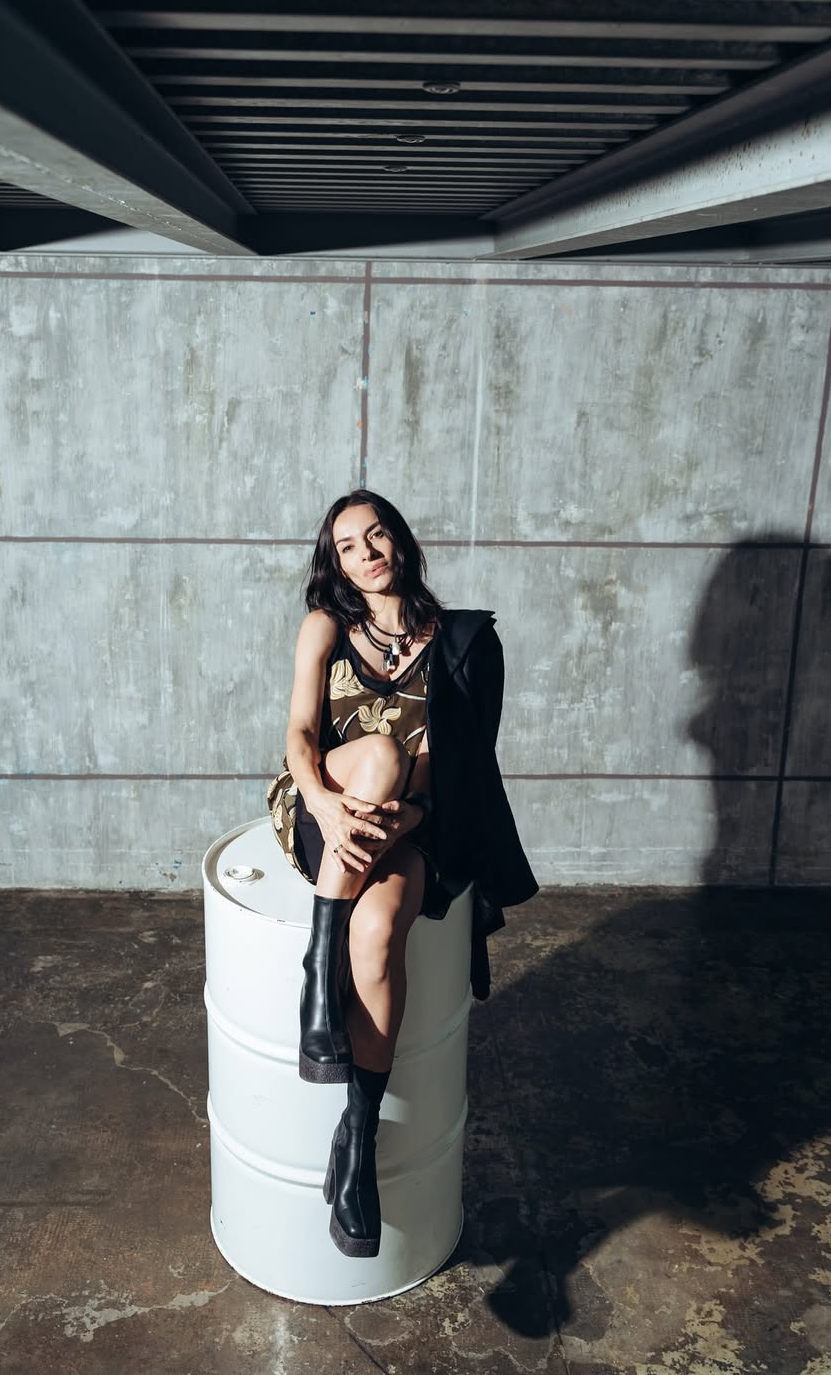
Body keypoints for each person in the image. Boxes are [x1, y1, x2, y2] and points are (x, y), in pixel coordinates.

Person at [267, 489, 537, 1259]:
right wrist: (326, 804)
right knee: (381, 753)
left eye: (377, 535)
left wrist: (408, 820)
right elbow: (299, 734)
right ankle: (320, 965)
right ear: (338, 565)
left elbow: (467, 770)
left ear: (404, 544)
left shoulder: (464, 643)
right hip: (322, 804)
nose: (367, 553)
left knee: (383, 929)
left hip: (411, 822)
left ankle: (357, 1139)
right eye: (348, 546)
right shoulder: (325, 626)